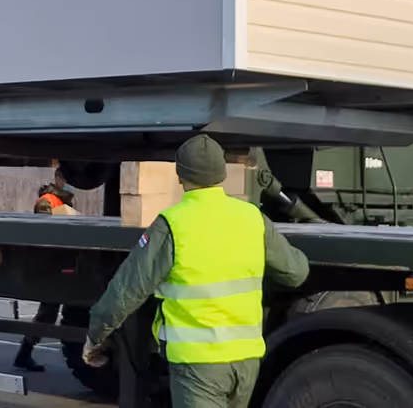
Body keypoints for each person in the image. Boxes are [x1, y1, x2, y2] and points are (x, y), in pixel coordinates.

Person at [82, 135, 309, 408]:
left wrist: (95, 336)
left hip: (198, 363)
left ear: (180, 176)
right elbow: (296, 272)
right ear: (222, 174)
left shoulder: (173, 224)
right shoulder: (252, 218)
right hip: (245, 362)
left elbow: (125, 292)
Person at [13, 168, 78, 372]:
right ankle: (24, 354)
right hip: (52, 265)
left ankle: (24, 355)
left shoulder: (64, 200)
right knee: (47, 312)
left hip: (61, 263)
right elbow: (48, 235)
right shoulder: (47, 201)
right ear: (58, 179)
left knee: (49, 312)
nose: (70, 184)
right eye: (67, 179)